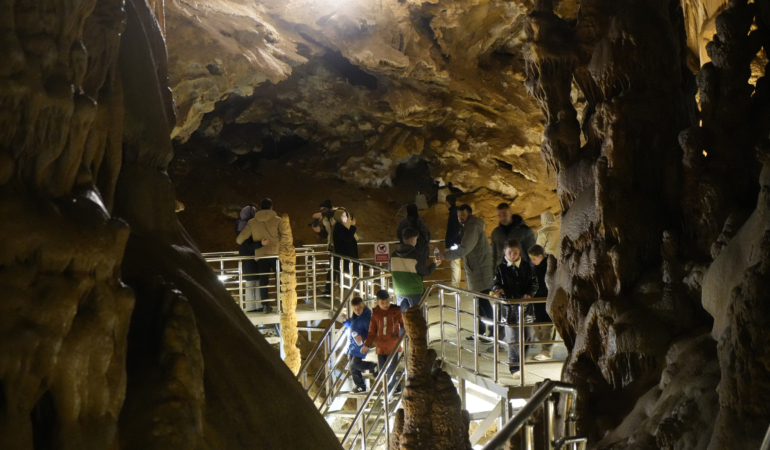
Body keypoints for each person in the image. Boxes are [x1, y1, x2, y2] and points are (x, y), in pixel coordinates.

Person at [436, 204, 495, 338]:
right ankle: (480, 332)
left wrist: (445, 255)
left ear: (469, 214)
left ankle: (493, 333)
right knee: (479, 302)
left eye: (463, 214)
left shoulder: (472, 228)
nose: (460, 217)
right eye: (458, 215)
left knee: (483, 302)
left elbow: (465, 248)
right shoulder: (467, 227)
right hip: (476, 269)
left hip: (481, 270)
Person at [492, 239, 538, 378]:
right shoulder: (500, 268)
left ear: (520, 252)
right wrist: (498, 289)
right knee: (512, 339)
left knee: (528, 335)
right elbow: (495, 282)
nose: (513, 255)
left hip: (525, 307)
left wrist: (529, 293)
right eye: (510, 253)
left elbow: (534, 283)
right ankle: (514, 367)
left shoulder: (527, 266)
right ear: (505, 252)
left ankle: (521, 362)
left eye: (515, 252)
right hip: (509, 308)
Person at [236, 198, 282, 313]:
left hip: (261, 256)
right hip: (276, 255)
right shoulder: (278, 220)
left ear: (260, 208)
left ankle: (265, 305)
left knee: (263, 282)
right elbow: (285, 237)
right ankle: (283, 304)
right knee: (280, 280)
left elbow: (239, 240)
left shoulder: (252, 222)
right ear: (271, 207)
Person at [361, 290, 404, 394]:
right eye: (382, 303)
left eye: (387, 302)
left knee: (391, 369)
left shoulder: (396, 311)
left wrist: (407, 336)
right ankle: (397, 387)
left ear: (390, 300)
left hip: (393, 346)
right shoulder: (376, 314)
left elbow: (404, 325)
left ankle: (389, 392)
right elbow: (372, 332)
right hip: (380, 347)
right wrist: (367, 345)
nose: (385, 305)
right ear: (377, 302)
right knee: (382, 370)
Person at [391, 227, 440, 312]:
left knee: (402, 317)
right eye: (416, 239)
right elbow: (425, 272)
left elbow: (390, 269)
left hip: (399, 291)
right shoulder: (417, 255)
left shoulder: (393, 255)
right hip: (414, 291)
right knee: (417, 317)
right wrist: (434, 264)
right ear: (412, 239)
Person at [235, 205, 271, 312]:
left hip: (248, 257)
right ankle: (254, 306)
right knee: (253, 282)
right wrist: (260, 243)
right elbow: (248, 244)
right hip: (250, 256)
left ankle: (253, 306)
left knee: (252, 281)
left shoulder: (240, 225)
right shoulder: (247, 226)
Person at [341, 297, 378, 393]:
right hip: (353, 345)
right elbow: (353, 326)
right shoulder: (356, 316)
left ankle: (373, 366)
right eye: (355, 309)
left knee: (355, 364)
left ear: (364, 306)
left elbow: (372, 332)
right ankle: (361, 386)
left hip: (361, 346)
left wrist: (363, 337)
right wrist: (345, 321)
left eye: (359, 308)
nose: (357, 311)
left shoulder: (366, 318)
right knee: (352, 367)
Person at [528, 244, 554, 361]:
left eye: (534, 258)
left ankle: (546, 350)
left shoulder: (549, 267)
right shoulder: (535, 268)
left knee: (547, 327)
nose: (532, 261)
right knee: (538, 328)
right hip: (537, 301)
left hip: (546, 300)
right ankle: (545, 348)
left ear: (540, 256)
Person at [332, 208, 360, 284]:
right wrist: (352, 226)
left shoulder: (340, 226)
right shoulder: (339, 227)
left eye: (346, 216)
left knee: (349, 277)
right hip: (346, 257)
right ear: (338, 217)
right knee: (348, 278)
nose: (346, 218)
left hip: (346, 257)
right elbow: (348, 238)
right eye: (343, 216)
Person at [444, 194, 462, 289]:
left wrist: (450, 242)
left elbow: (454, 229)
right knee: (455, 264)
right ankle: (455, 285)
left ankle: (455, 286)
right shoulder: (456, 211)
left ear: (448, 202)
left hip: (454, 243)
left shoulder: (453, 213)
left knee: (455, 264)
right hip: (456, 242)